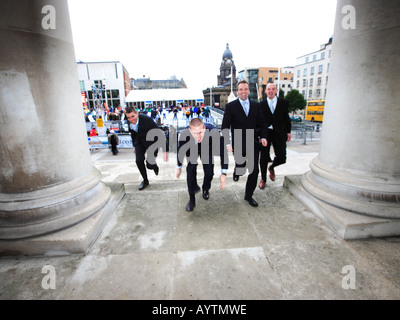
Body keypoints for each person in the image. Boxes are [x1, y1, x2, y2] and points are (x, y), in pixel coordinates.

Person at [221, 80, 268, 207]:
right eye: (240, 89)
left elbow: (262, 123)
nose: (243, 92)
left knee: (254, 171)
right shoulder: (231, 106)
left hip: (253, 142)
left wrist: (263, 136)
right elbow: (225, 126)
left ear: (248, 91)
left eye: (245, 89)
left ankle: (249, 195)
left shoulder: (256, 106)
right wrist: (227, 143)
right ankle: (237, 170)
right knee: (241, 165)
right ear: (237, 92)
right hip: (238, 142)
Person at [176, 118, 228, 212]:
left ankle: (205, 188)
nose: (198, 136)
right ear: (190, 130)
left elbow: (223, 152)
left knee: (209, 173)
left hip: (207, 148)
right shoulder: (184, 134)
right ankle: (192, 199)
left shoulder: (214, 132)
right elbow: (180, 151)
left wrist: (223, 173)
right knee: (190, 171)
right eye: (195, 133)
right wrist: (179, 167)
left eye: (201, 132)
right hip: (192, 148)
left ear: (204, 128)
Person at [125, 106, 168, 190]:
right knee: (138, 160)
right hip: (139, 141)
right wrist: (135, 145)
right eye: (128, 117)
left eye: (133, 116)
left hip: (152, 142)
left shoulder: (147, 119)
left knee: (149, 165)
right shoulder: (128, 122)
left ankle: (154, 166)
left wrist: (165, 150)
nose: (131, 119)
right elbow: (133, 134)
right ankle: (145, 180)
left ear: (137, 114)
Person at [259, 82, 291, 189]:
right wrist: (259, 135)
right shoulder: (261, 104)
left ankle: (271, 167)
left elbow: (286, 118)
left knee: (282, 157)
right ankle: (263, 179)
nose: (271, 91)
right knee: (263, 157)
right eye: (268, 89)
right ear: (265, 91)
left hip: (280, 132)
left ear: (276, 90)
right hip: (266, 133)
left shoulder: (284, 103)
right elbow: (258, 122)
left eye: (273, 89)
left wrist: (288, 132)